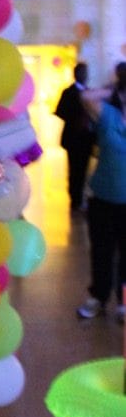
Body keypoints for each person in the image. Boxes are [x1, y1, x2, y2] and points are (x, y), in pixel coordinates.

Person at [76, 63, 126, 323]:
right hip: (103, 198)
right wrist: (114, 89)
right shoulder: (108, 115)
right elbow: (85, 96)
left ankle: (124, 302)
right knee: (101, 252)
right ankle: (98, 297)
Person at [54, 61, 94, 211]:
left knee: (84, 170)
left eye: (85, 73)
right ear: (76, 74)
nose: (84, 75)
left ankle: (80, 197)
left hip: (87, 138)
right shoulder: (68, 92)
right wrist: (75, 119)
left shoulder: (90, 92)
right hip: (73, 138)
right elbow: (59, 112)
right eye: (82, 72)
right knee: (74, 169)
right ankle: (75, 199)